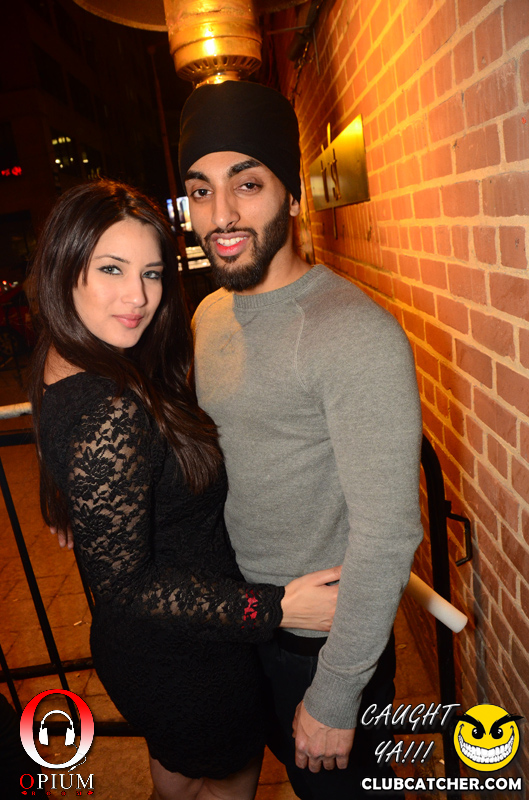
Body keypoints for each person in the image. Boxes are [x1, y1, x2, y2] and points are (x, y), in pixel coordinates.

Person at [27, 179, 342, 800]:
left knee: (179, 778)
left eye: (151, 273)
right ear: (65, 267)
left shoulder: (66, 356)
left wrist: (76, 502)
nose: (137, 297)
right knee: (227, 783)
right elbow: (127, 588)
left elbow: (64, 442)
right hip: (186, 656)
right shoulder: (110, 408)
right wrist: (277, 609)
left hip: (151, 653)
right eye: (111, 269)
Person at [180, 80, 424, 799]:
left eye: (247, 184)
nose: (220, 215)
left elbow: (387, 534)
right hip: (242, 618)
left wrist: (336, 692)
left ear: (291, 196)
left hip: (319, 640)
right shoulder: (207, 316)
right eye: (200, 190)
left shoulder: (352, 334)